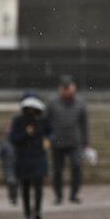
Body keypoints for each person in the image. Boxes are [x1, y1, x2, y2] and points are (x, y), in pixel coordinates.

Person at [46, 74, 91, 205]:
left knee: (77, 166)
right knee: (57, 170)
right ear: (60, 89)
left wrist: (86, 142)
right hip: (57, 141)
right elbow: (46, 121)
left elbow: (84, 124)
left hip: (74, 141)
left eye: (69, 87)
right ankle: (58, 196)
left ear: (74, 87)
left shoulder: (80, 103)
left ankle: (74, 194)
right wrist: (47, 137)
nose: (67, 90)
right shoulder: (52, 103)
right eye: (64, 88)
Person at [9, 94, 53, 219]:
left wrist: (48, 140)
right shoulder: (18, 121)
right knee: (25, 187)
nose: (31, 111)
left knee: (38, 186)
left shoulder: (42, 121)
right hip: (23, 158)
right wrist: (25, 133)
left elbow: (51, 132)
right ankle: (27, 212)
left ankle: (37, 211)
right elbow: (13, 139)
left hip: (38, 156)